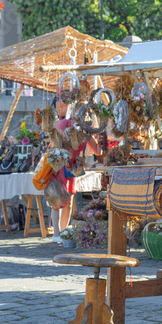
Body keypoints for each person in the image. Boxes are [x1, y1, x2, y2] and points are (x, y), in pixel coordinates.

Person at [51, 98, 102, 243]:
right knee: (57, 198)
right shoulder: (64, 123)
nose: (85, 116)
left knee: (69, 198)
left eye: (87, 113)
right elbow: (55, 143)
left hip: (72, 166)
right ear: (74, 111)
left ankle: (64, 231)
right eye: (82, 112)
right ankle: (55, 234)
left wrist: (99, 137)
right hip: (60, 163)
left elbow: (97, 151)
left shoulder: (85, 130)